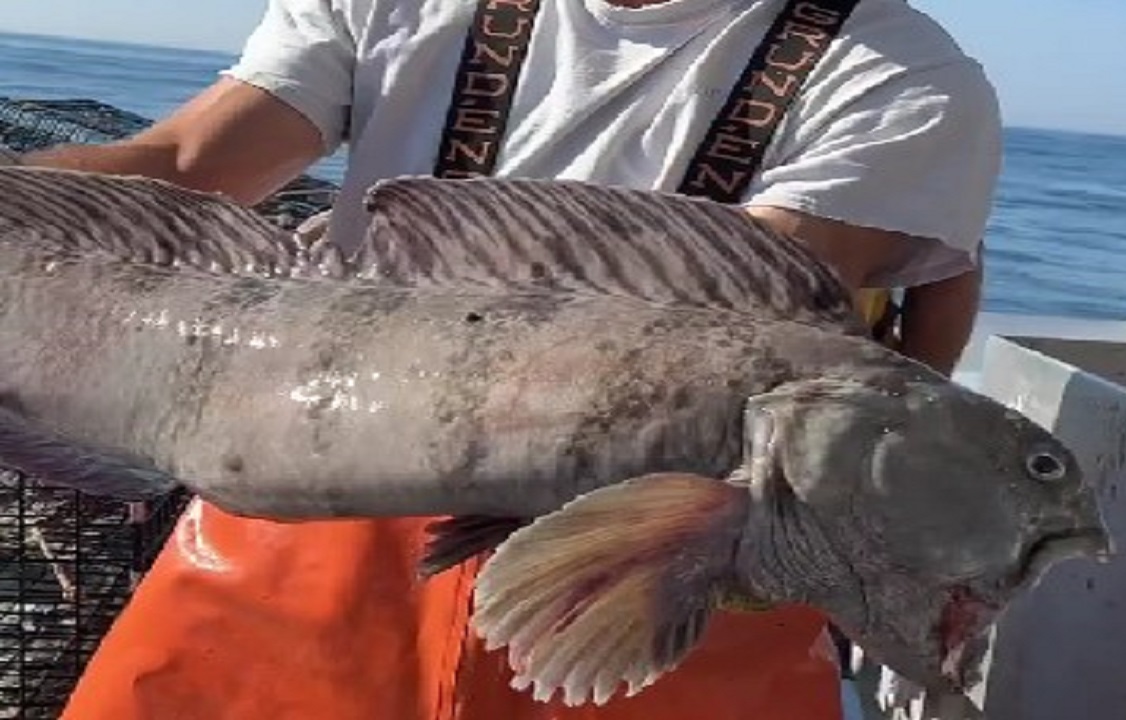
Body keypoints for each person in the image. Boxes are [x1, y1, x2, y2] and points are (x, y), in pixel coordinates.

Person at [1, 0, 1000, 717]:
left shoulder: (897, 76)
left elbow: (733, 331)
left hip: (654, 558)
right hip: (306, 528)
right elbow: (185, 169)